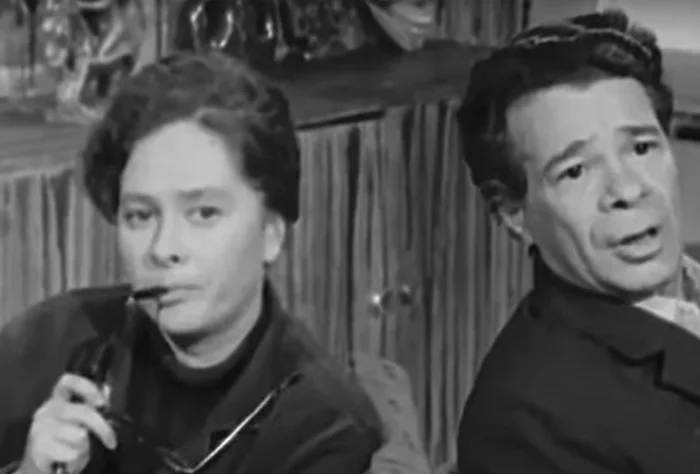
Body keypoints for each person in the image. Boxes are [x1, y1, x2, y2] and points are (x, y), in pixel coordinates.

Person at [0, 51, 383, 474]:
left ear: (272, 233)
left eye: (203, 213)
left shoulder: (325, 432)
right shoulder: (50, 341)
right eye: (140, 216)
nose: (163, 248)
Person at [456, 9, 700, 473]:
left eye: (642, 147)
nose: (627, 190)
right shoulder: (523, 427)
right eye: (575, 172)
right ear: (515, 214)